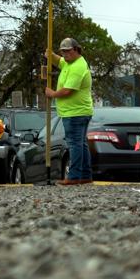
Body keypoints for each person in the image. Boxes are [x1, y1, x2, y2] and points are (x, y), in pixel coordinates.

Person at [45, 38, 94, 185]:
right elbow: (59, 61)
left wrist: (52, 94)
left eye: (68, 51)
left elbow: (67, 90)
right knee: (81, 144)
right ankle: (85, 175)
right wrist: (51, 55)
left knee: (74, 144)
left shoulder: (78, 67)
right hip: (77, 112)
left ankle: (74, 177)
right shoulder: (69, 62)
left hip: (75, 113)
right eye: (63, 51)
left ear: (76, 49)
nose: (65, 54)